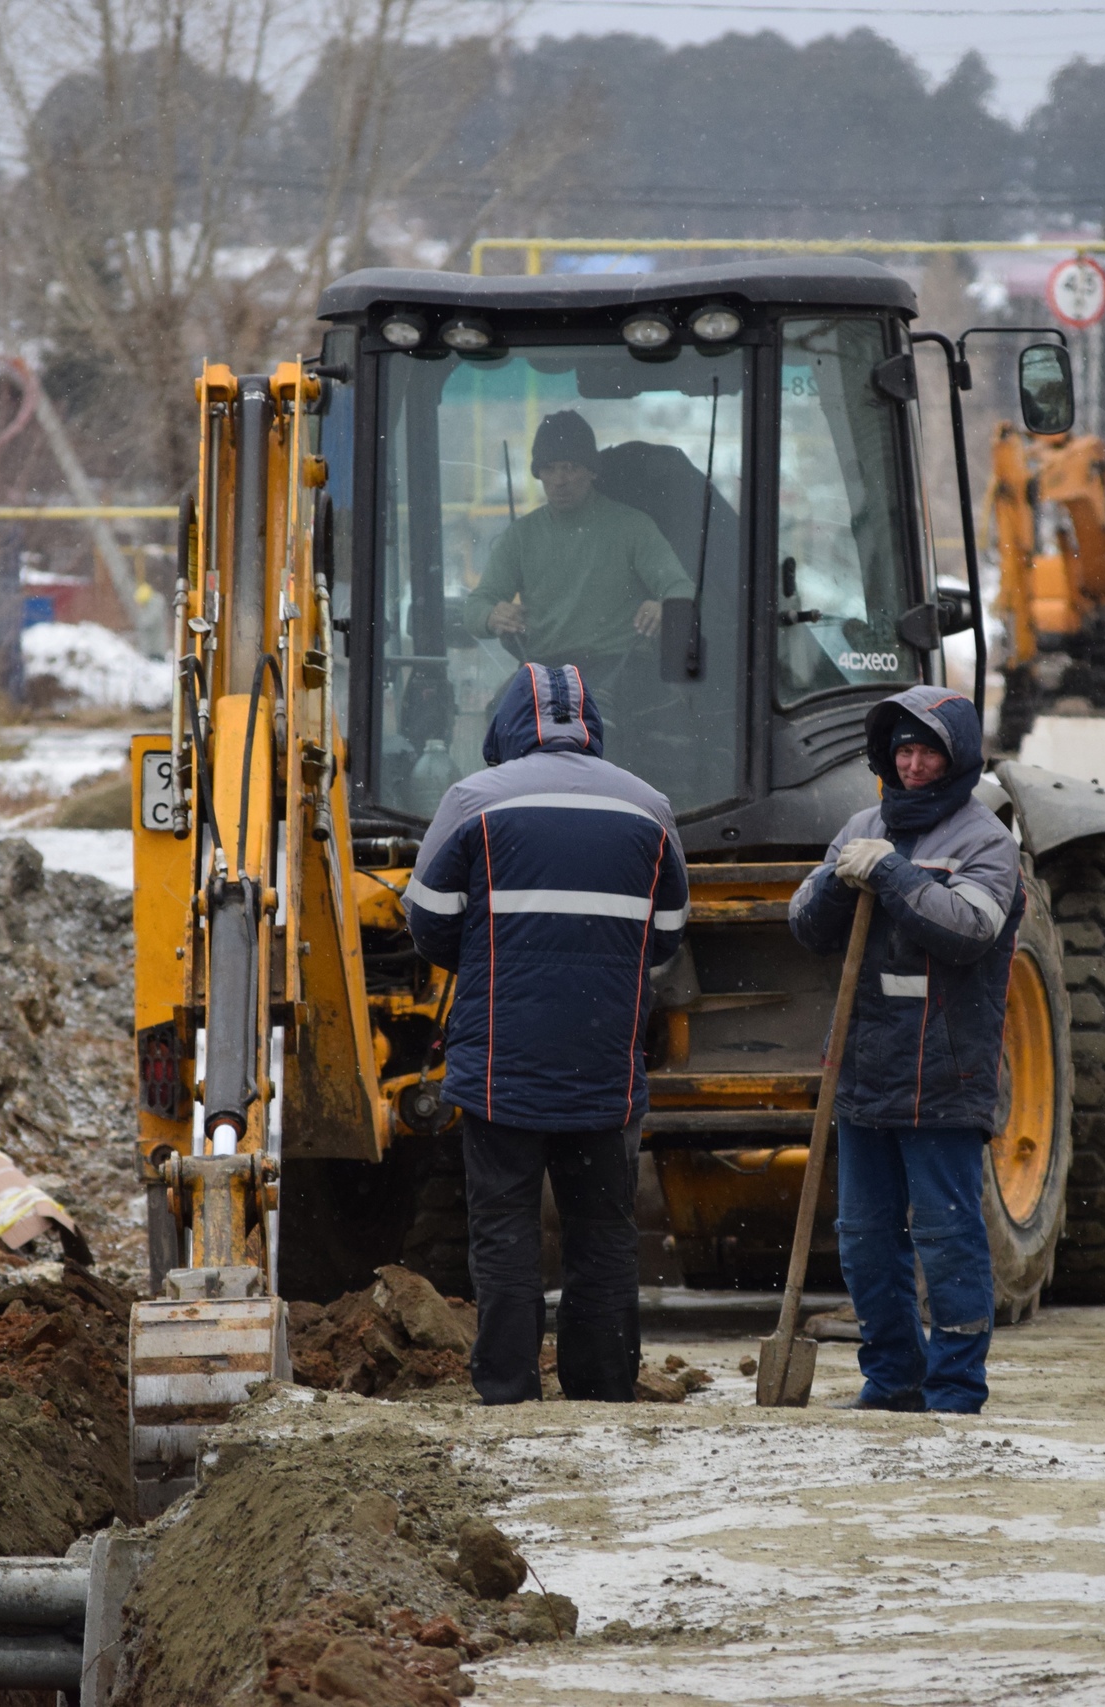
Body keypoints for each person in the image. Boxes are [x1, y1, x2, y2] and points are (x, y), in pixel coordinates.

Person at [403, 662, 690, 1405]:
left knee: (504, 1230)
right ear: (591, 722)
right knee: (604, 1231)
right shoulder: (649, 806)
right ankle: (602, 1385)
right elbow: (665, 936)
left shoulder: (473, 800)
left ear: (506, 727)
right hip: (604, 1062)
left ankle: (507, 1384)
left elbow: (427, 922)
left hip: (503, 1064)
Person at [786, 685, 1023, 1415]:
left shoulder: (987, 840)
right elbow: (806, 926)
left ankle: (954, 1390)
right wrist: (835, 878)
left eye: (928, 751)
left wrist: (891, 873)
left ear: (955, 759)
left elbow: (968, 930)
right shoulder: (861, 825)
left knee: (949, 1238)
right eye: (904, 750)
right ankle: (893, 1380)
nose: (914, 764)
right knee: (862, 1241)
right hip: (863, 1073)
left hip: (944, 1074)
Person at [466, 410, 694, 676]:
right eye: (549, 469)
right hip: (545, 673)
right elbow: (476, 605)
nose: (559, 480)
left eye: (570, 467)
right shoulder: (520, 536)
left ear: (592, 471)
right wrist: (491, 616)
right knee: (500, 715)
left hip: (620, 670)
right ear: (538, 474)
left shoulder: (633, 527)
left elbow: (681, 587)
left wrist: (665, 606)